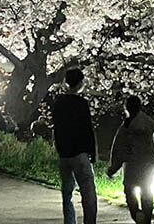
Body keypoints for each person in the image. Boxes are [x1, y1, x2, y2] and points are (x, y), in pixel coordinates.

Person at [51, 68, 97, 224]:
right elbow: (87, 129)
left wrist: (58, 148)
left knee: (67, 194)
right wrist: (93, 153)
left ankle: (69, 222)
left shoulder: (58, 103)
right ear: (80, 83)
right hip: (79, 153)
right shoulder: (81, 104)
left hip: (64, 154)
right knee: (88, 192)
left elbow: (56, 128)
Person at [108, 96, 154, 224]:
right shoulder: (148, 124)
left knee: (129, 189)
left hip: (133, 165)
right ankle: (146, 218)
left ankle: (137, 215)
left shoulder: (126, 127)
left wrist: (113, 168)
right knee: (146, 190)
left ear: (127, 108)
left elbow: (119, 149)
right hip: (149, 163)